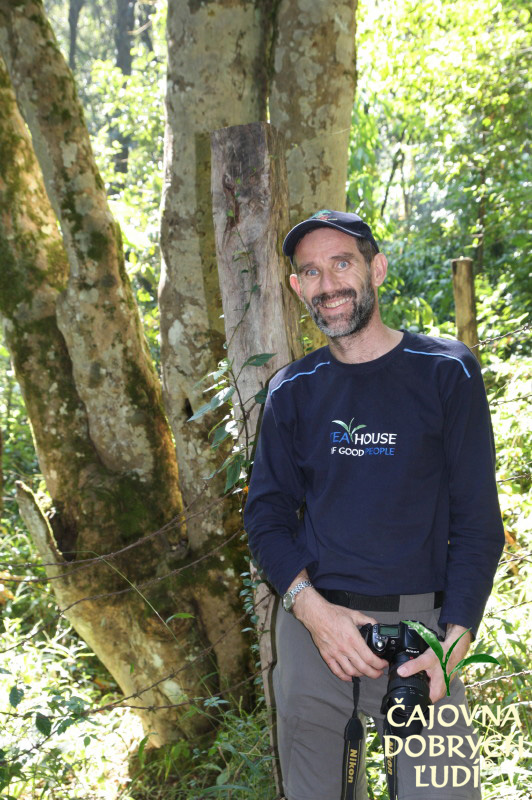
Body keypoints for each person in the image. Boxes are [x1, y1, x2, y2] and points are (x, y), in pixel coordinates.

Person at [244, 210, 504, 800]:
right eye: (310, 272)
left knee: (443, 790)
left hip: (423, 631)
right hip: (319, 632)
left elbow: (478, 521)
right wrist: (313, 612)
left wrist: (455, 634)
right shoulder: (292, 389)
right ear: (297, 288)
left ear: (376, 269)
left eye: (342, 263)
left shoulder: (446, 371)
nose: (327, 284)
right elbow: (265, 516)